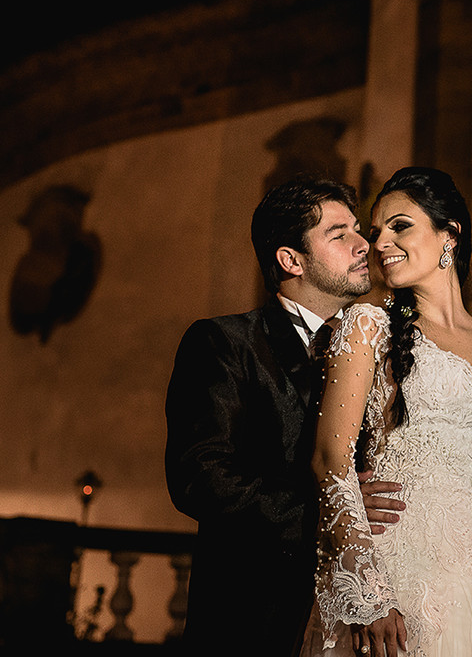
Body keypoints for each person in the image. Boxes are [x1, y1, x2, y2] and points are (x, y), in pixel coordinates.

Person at [302, 167, 472, 657]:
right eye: (376, 231)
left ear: (449, 232)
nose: (378, 242)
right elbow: (331, 461)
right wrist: (370, 599)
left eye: (399, 226)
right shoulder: (368, 326)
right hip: (391, 587)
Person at [166, 177, 406, 657]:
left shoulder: (389, 354)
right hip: (255, 622)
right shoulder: (225, 343)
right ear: (291, 260)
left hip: (365, 627)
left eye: (359, 229)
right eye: (340, 235)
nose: (366, 245)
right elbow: (200, 478)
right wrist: (334, 505)